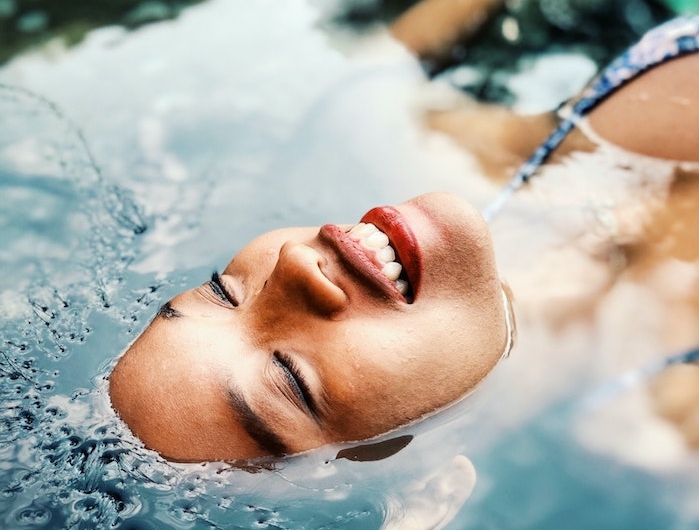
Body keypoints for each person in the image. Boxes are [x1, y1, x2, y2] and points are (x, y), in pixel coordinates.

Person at [109, 9, 699, 462]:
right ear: (433, 490)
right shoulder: (669, 428)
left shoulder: (385, 137)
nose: (292, 262)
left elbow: (383, 59)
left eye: (222, 291)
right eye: (289, 378)